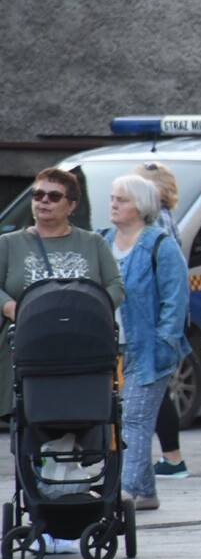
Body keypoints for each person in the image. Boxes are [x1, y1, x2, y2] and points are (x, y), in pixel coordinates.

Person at [0, 168, 124, 421]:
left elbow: (115, 286)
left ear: (72, 206)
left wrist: (92, 312)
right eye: (38, 195)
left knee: (80, 412)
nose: (44, 201)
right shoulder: (8, 243)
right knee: (29, 416)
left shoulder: (93, 243)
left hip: (81, 340)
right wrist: (11, 308)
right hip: (28, 342)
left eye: (54, 196)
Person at [101, 174, 190, 510]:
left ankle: (125, 491)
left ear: (140, 206)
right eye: (112, 198)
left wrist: (165, 344)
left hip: (148, 350)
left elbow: (175, 300)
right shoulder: (103, 241)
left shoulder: (160, 244)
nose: (113, 204)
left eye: (121, 199)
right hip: (109, 349)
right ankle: (146, 493)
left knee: (135, 418)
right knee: (119, 418)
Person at [133, 161, 187, 479]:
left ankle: (173, 458)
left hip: (154, 317)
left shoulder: (157, 223)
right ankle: (170, 458)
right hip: (160, 316)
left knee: (154, 389)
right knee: (157, 390)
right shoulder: (167, 218)